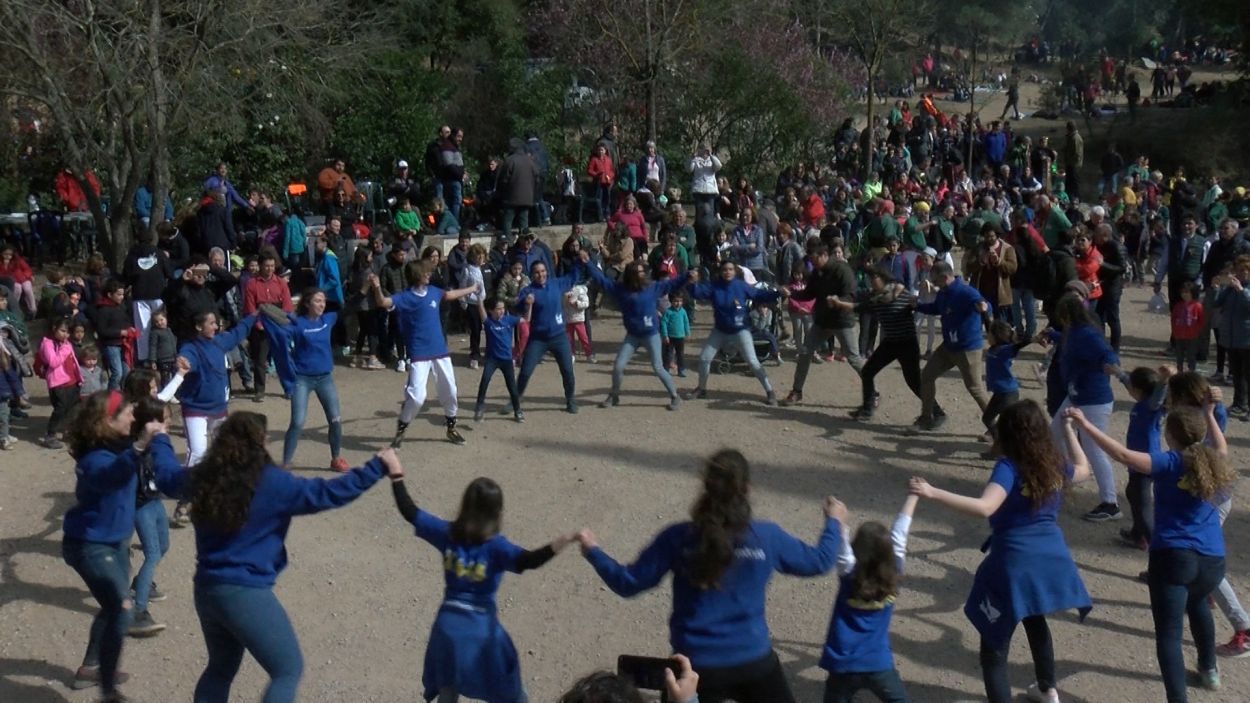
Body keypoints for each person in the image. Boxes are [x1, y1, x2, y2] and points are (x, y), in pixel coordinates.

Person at [575, 449, 844, 703]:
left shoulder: (678, 538)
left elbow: (628, 583)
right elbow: (819, 561)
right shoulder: (765, 537)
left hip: (693, 668)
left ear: (706, 487)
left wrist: (593, 552)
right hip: (753, 660)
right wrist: (834, 522)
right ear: (747, 489)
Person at [187, 412, 393, 703]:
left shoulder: (206, 478)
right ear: (260, 441)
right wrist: (377, 467)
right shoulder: (272, 482)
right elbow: (328, 493)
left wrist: (154, 440)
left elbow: (167, 476)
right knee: (287, 669)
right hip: (244, 592)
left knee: (220, 669)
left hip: (206, 590)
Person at [910, 401, 1093, 703]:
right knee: (1035, 617)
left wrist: (933, 492)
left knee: (994, 646)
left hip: (1014, 562)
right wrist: (1069, 430)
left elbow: (985, 507)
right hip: (1052, 557)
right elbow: (1084, 469)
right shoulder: (1053, 463)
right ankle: (1047, 689)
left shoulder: (1009, 467)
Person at [1066, 401, 1233, 701]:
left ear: (1170, 435)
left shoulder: (1169, 462)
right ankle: (1209, 670)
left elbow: (1122, 455)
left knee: (1169, 636)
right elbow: (1220, 444)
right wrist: (1209, 414)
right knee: (1197, 603)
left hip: (1173, 558)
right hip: (1212, 560)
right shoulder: (1214, 459)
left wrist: (1084, 425)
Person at [388, 467, 575, 703]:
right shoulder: (497, 548)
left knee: (448, 684)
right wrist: (562, 541)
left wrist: (396, 475)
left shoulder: (448, 534)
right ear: (498, 513)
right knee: (510, 689)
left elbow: (410, 511)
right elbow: (529, 561)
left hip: (447, 627)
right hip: (481, 630)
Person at [62, 390, 184, 697]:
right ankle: (108, 692)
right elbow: (111, 477)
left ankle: (90, 668)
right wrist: (140, 446)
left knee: (111, 607)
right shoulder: (94, 459)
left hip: (116, 543)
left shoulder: (121, 446)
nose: (133, 417)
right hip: (89, 546)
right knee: (121, 607)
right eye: (128, 412)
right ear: (107, 420)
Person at [369, 261, 480, 447]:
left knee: (450, 391)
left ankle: (451, 427)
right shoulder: (405, 298)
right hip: (419, 353)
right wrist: (377, 287)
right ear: (416, 276)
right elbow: (382, 302)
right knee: (417, 397)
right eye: (425, 272)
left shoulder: (434, 291)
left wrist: (472, 288)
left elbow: (450, 294)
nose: (429, 274)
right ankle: (402, 428)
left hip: (440, 351)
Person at [820, 493, 918, 703]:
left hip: (843, 665)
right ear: (889, 551)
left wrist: (834, 517)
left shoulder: (849, 572)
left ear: (857, 547)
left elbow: (841, 543)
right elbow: (900, 533)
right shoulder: (894, 572)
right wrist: (913, 495)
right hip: (878, 663)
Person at [1046, 294, 1122, 522]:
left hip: (1094, 401)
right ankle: (1063, 477)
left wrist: (1111, 365)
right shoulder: (1073, 331)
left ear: (1067, 315)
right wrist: (1051, 334)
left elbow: (1107, 354)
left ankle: (1111, 503)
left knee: (1094, 450)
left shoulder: (1088, 333)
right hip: (1076, 396)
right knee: (1054, 434)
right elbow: (1068, 341)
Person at [583, 252, 688, 410]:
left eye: (642, 271)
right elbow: (602, 280)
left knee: (658, 368)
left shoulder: (652, 287)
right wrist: (587, 263)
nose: (642, 274)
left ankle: (675, 396)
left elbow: (672, 284)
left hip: (651, 335)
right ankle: (614, 395)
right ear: (631, 275)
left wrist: (687, 276)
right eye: (638, 272)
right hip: (632, 336)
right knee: (618, 366)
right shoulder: (621, 289)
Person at [685, 262, 783, 405]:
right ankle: (701, 388)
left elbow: (759, 294)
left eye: (730, 269)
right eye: (724, 269)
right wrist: (692, 283)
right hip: (720, 331)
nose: (727, 272)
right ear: (720, 272)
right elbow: (697, 293)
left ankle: (770, 391)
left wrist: (778, 292)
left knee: (753, 362)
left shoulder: (741, 286)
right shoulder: (714, 286)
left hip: (740, 331)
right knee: (705, 358)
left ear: (735, 271)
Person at [913, 262, 990, 432]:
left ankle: (997, 428)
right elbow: (936, 308)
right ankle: (926, 418)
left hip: (968, 349)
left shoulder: (966, 292)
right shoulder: (943, 293)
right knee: (926, 376)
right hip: (948, 348)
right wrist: (917, 305)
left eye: (935, 280)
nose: (933, 283)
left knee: (975, 388)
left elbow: (983, 304)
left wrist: (983, 307)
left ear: (944, 277)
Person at [781, 245, 863, 406]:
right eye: (811, 261)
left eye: (814, 260)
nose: (813, 264)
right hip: (822, 321)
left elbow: (851, 295)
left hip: (842, 320)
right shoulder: (816, 273)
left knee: (853, 358)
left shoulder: (842, 270)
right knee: (805, 352)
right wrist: (792, 293)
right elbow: (809, 293)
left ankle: (873, 393)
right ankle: (797, 391)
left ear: (824, 255)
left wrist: (838, 301)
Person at [1108, 365, 1169, 550]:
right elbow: (1130, 383)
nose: (1129, 390)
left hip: (1145, 461)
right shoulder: (1143, 400)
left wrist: (1164, 381)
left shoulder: (1151, 406)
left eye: (1132, 388)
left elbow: (1158, 395)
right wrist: (1119, 373)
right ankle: (1138, 533)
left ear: (1139, 390)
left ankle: (1155, 545)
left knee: (1142, 504)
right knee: (1133, 493)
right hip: (1137, 461)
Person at [851, 267, 920, 422]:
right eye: (869, 278)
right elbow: (857, 306)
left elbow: (917, 305)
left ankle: (936, 412)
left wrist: (917, 303)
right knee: (868, 371)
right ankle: (867, 408)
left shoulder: (901, 293)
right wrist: (839, 303)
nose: (871, 281)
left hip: (907, 343)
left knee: (914, 382)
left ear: (883, 278)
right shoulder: (874, 297)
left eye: (874, 277)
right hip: (890, 342)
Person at [514, 259, 585, 414]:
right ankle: (515, 400)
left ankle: (570, 400)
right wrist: (526, 302)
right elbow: (517, 307)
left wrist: (579, 262)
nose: (541, 275)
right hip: (538, 339)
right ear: (532, 275)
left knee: (567, 371)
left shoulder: (556, 284)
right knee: (525, 371)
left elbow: (572, 277)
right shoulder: (528, 291)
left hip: (559, 337)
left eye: (543, 271)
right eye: (537, 272)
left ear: (547, 271)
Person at [242, 253, 293, 402]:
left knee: (283, 357)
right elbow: (250, 307)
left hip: (278, 321)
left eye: (272, 266)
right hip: (261, 320)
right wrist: (258, 324)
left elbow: (287, 304)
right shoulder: (252, 283)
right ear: (260, 266)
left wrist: (284, 322)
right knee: (260, 360)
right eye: (266, 266)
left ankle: (289, 388)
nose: (270, 269)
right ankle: (259, 390)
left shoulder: (280, 282)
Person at [981, 320, 1032, 454]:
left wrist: (1035, 339)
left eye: (989, 334)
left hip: (1008, 394)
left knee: (1008, 424)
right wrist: (983, 313)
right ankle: (1001, 444)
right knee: (987, 418)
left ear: (996, 336)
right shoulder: (994, 348)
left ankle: (1002, 448)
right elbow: (989, 325)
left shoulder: (1005, 350)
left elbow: (1018, 346)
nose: (987, 336)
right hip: (1000, 393)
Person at [473, 296, 524, 423]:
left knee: (512, 386)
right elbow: (481, 308)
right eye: (498, 309)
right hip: (492, 359)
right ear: (491, 310)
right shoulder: (488, 322)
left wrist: (530, 305)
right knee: (484, 381)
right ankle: (479, 408)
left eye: (503, 308)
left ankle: (517, 410)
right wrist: (479, 298)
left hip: (507, 360)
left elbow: (526, 320)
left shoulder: (509, 320)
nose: (502, 311)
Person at [34, 317, 82, 449]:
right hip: (58, 383)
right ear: (54, 328)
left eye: (68, 332)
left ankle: (68, 431)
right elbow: (53, 362)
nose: (65, 335)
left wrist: (79, 377)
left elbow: (73, 361)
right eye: (63, 331)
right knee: (60, 409)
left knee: (71, 408)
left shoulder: (66, 343)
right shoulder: (47, 343)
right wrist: (64, 350)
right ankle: (50, 435)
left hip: (72, 380)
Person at [1172, 281, 1205, 372]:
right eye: (1182, 292)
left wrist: (1197, 331)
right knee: (1179, 356)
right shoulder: (1178, 305)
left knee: (1191, 356)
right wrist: (1174, 331)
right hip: (1179, 335)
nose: (1184, 294)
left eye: (1187, 292)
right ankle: (1179, 372)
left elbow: (1201, 320)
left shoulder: (1197, 306)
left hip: (1192, 336)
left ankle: (1191, 372)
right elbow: (1173, 319)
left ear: (1192, 293)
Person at [662, 291, 690, 377]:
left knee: (680, 355)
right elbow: (664, 323)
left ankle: (681, 370)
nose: (678, 303)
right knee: (668, 355)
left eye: (680, 301)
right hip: (670, 337)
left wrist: (687, 333)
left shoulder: (683, 311)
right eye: (675, 301)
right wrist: (665, 335)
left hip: (680, 337)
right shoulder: (668, 312)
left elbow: (686, 322)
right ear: (671, 301)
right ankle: (665, 371)